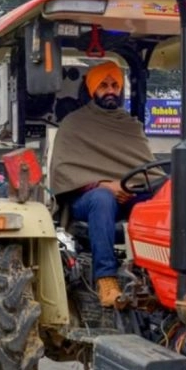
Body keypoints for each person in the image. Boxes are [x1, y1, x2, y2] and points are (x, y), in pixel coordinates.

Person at [51, 60, 161, 308]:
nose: (110, 90)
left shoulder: (130, 125)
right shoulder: (73, 124)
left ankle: (157, 271)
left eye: (115, 85)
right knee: (102, 198)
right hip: (87, 200)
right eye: (103, 85)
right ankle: (106, 279)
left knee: (163, 197)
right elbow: (65, 171)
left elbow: (147, 170)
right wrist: (104, 185)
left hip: (129, 194)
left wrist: (128, 187)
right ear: (92, 89)